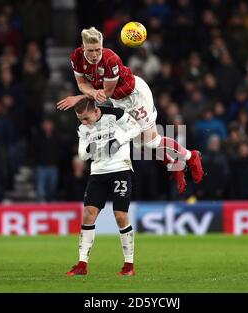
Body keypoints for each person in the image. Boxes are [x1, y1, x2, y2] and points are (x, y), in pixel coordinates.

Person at [56, 26, 204, 194]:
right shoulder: (76, 57)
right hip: (117, 101)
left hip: (135, 95)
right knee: (139, 144)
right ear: (83, 48)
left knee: (151, 141)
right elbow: (82, 84)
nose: (95, 54)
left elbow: (105, 93)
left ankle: (191, 156)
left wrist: (80, 97)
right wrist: (86, 92)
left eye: (98, 49)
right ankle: (173, 164)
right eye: (91, 50)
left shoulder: (111, 60)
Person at [66, 97, 141, 276]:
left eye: (86, 118)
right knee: (88, 215)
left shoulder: (115, 115)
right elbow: (82, 155)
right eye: (80, 119)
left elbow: (136, 128)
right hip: (98, 173)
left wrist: (117, 141)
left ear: (96, 110)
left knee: (120, 215)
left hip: (120, 169)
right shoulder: (83, 128)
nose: (84, 123)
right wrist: (94, 146)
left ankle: (129, 265)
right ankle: (82, 264)